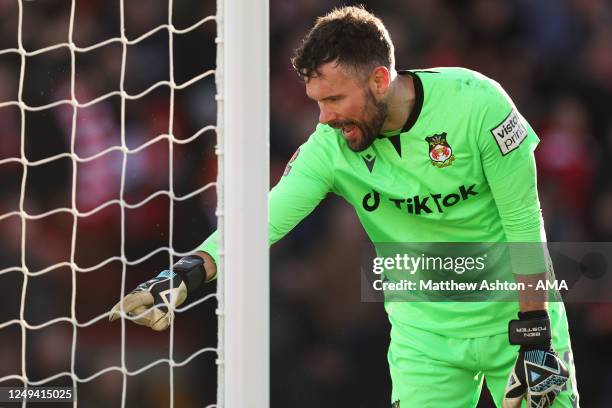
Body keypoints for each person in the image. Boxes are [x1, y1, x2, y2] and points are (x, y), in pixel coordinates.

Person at [110, 6, 579, 407]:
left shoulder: (479, 105)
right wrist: (190, 271)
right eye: (317, 101)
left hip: (516, 317)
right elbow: (263, 220)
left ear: (379, 80)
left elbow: (524, 220)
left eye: (334, 98)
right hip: (424, 338)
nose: (325, 116)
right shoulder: (330, 147)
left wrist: (535, 334)